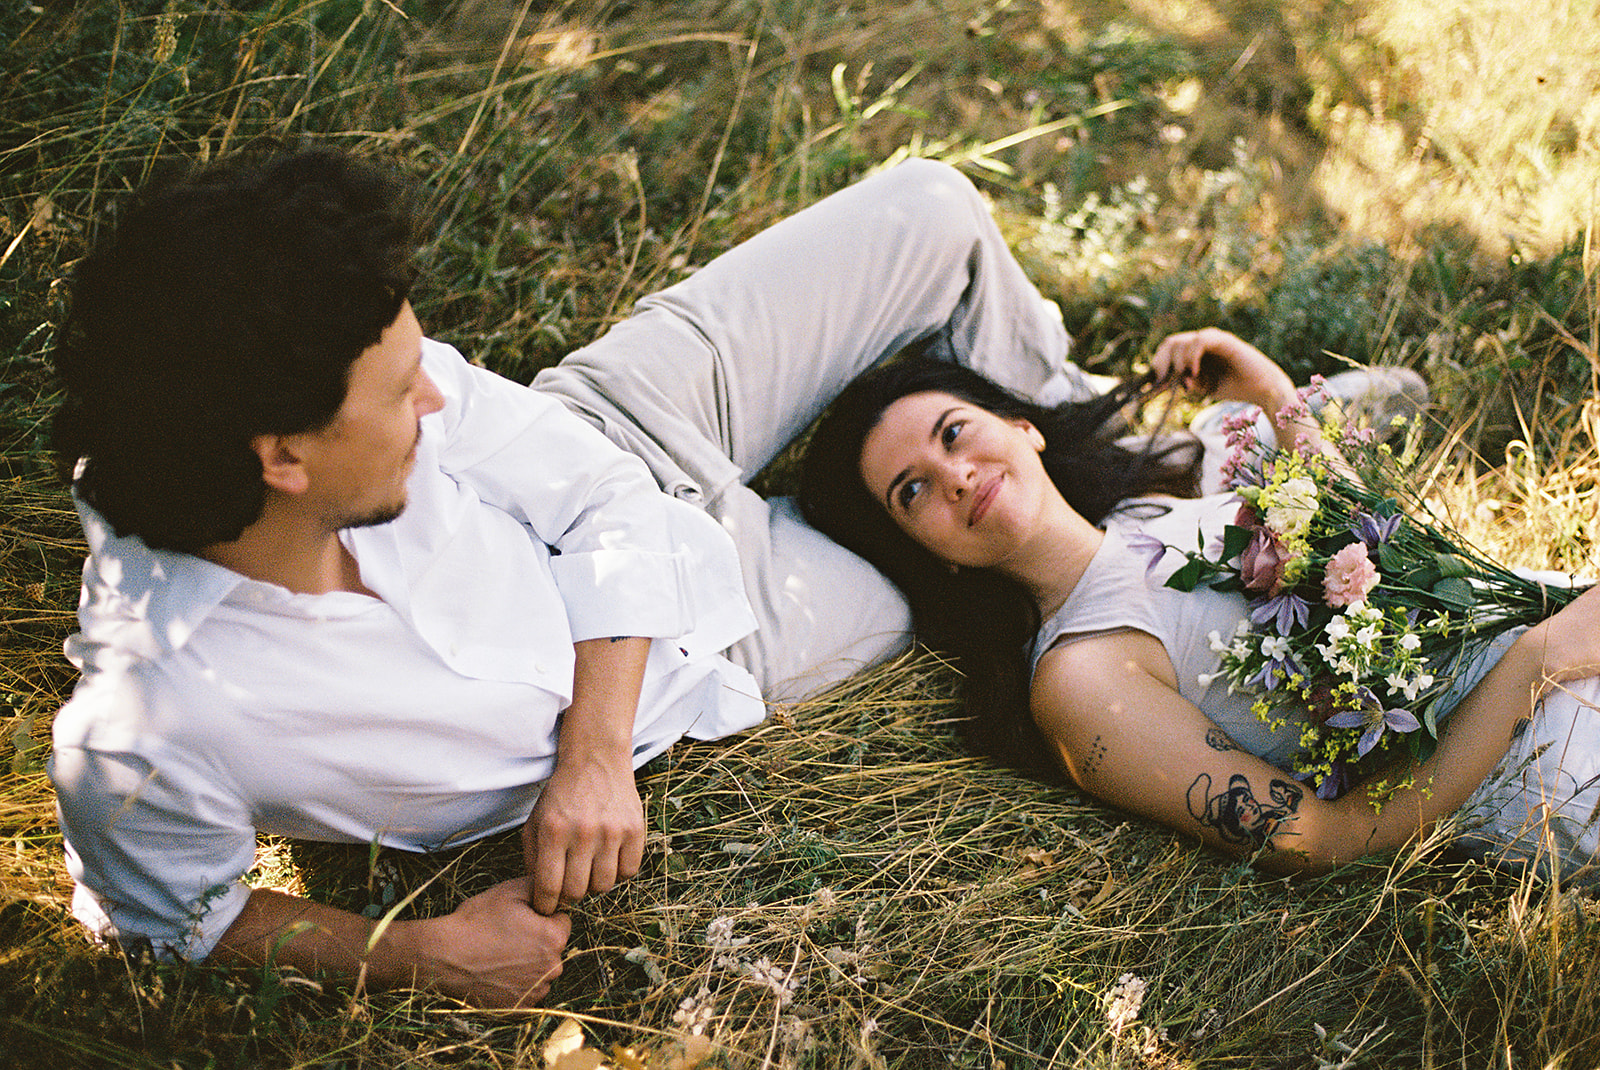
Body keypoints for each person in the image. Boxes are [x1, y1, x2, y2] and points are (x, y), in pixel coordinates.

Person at [47, 145, 1142, 1008]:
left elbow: (600, 491)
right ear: (279, 457)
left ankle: (1107, 445)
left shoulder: (326, 377)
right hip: (719, 636)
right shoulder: (156, 721)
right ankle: (1085, 533)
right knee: (914, 574)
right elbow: (167, 912)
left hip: (624, 426)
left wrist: (593, 754)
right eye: (395, 393)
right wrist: (421, 952)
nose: (433, 395)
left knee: (932, 211)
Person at [797, 331, 1600, 883]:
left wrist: (1276, 398)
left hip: (1553, 619)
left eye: (953, 432)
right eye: (914, 492)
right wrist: (1537, 665)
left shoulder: (1147, 515)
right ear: (924, 554)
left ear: (1023, 428)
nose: (957, 476)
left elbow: (1364, 551)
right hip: (1550, 758)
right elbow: (1325, 840)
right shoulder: (1082, 680)